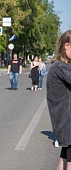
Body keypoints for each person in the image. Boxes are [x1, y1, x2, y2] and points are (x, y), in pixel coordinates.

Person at [47, 30, 71, 170]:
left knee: (65, 158)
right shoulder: (61, 67)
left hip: (65, 123)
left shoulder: (58, 66)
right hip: (68, 122)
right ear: (66, 45)